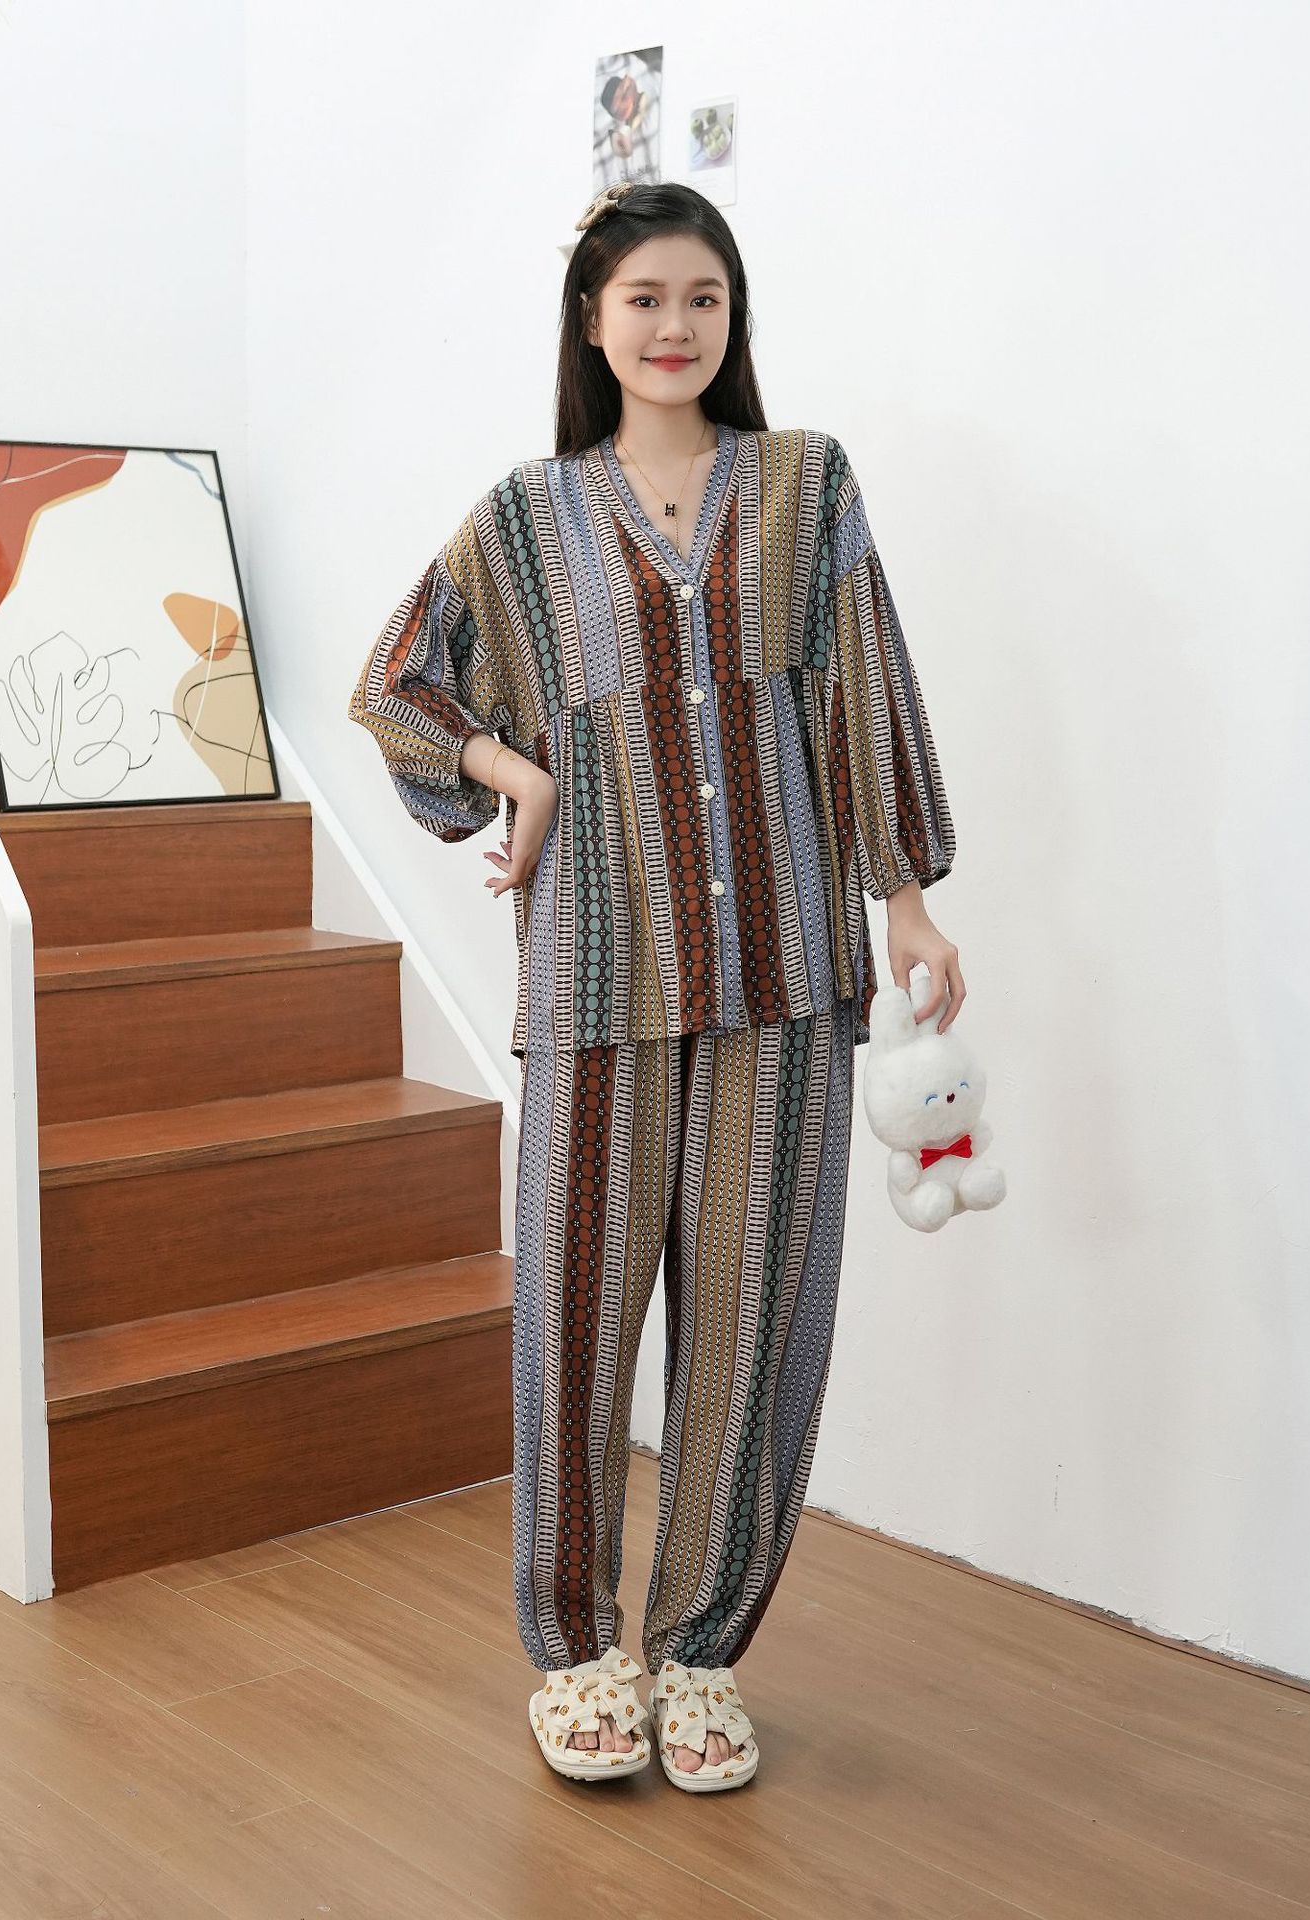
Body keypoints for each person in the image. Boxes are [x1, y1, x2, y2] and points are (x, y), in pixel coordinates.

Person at [347, 178, 963, 1791]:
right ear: (593, 322)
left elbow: (863, 687)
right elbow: (395, 685)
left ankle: (698, 1655)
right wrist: (513, 770)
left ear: (731, 316)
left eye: (703, 298)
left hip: (784, 971)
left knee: (757, 1321)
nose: (675, 326)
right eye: (645, 299)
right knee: (575, 1319)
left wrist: (905, 900)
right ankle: (576, 1654)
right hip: (597, 974)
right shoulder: (526, 519)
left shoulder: (807, 485)